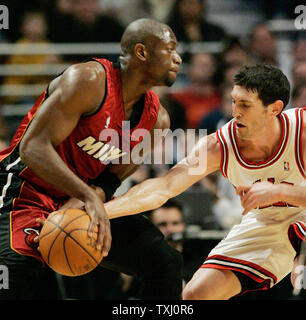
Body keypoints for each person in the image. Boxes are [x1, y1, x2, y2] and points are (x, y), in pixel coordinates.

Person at [0, 18, 183, 299]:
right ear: (142, 53)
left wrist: (89, 198)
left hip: (80, 204)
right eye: (170, 49)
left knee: (164, 262)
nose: (178, 58)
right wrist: (86, 194)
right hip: (25, 191)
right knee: (15, 278)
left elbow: (112, 178)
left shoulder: (157, 120)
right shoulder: (88, 81)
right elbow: (33, 148)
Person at [103, 64, 306, 299]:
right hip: (265, 221)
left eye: (245, 105)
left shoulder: (301, 131)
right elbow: (164, 187)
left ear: (274, 109)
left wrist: (278, 191)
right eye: (233, 102)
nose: (235, 112)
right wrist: (101, 211)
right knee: (195, 294)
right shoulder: (218, 147)